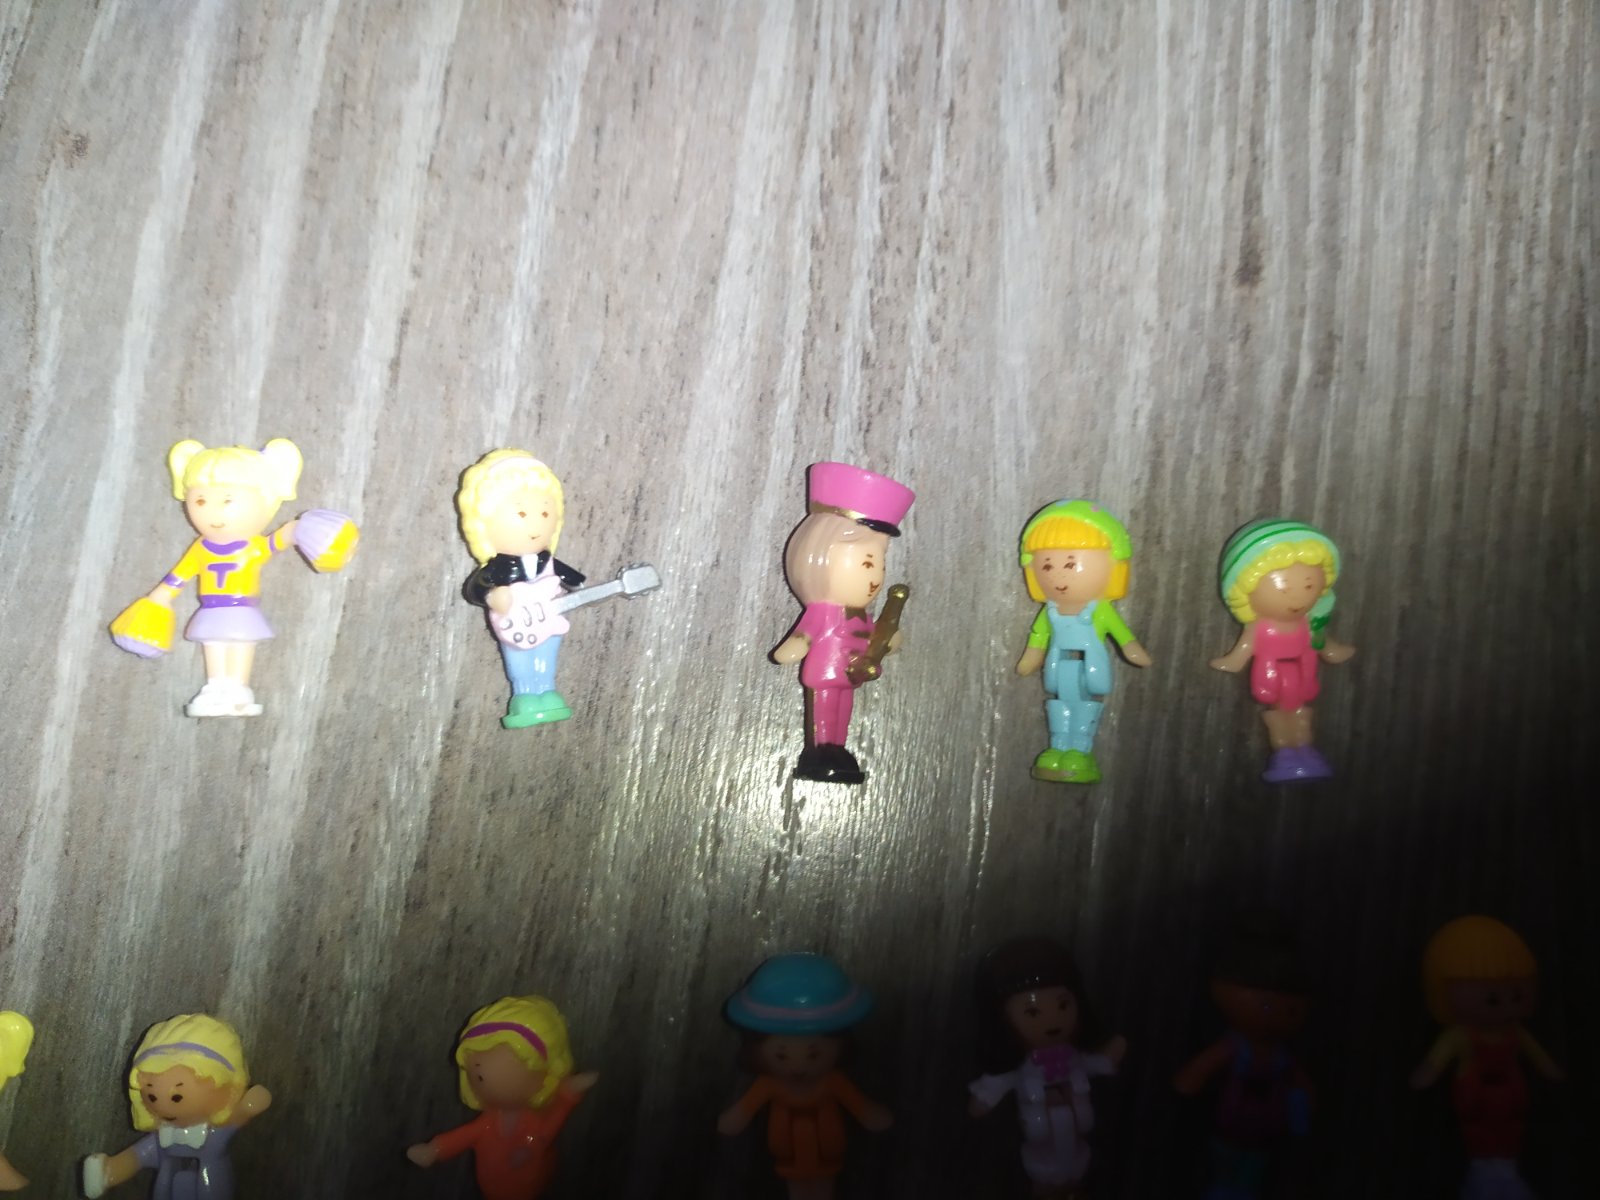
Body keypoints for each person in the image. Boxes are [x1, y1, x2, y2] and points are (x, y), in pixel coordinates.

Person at [969, 938, 1125, 1198]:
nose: (1053, 1021)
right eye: (1033, 1012)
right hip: (1040, 1155)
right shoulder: (1019, 1071)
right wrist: (985, 1096)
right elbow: (985, 1099)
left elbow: (1097, 1062)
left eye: (1063, 1005)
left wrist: (1109, 1057)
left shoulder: (1075, 1060)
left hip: (1078, 1152)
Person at [1015, 500, 1152, 784]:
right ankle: (1058, 747)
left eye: (1070, 563)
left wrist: (1132, 649)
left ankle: (1081, 750)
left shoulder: (1100, 611)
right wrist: (1031, 657)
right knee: (1059, 704)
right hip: (1057, 663)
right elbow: (1039, 636)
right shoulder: (1050, 611)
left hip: (1092, 665)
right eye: (1047, 565)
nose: (1059, 576)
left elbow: (1121, 634)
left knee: (1085, 702)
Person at [408, 995, 597, 1200]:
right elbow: (461, 1137)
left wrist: (568, 1093)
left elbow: (550, 1127)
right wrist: (434, 1150)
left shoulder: (533, 1124)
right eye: (477, 1074)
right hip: (491, 1189)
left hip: (529, 1187)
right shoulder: (487, 1125)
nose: (487, 1080)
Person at [1209, 518, 1354, 782]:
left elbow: (1321, 641)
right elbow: (1244, 649)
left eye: (1309, 586)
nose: (1298, 598)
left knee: (1301, 713)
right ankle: (1284, 753)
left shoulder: (1308, 623)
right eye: (1284, 588)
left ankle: (1306, 749)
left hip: (1304, 672)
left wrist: (1332, 650)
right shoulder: (1260, 628)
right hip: (1270, 675)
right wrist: (1232, 661)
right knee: (1278, 715)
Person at [83, 1014, 271, 1200]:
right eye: (152, 1097)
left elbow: (238, 1118)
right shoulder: (162, 1139)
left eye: (176, 1097)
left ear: (227, 1088)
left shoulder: (215, 1134)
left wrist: (248, 1107)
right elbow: (139, 1156)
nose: (164, 1107)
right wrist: (110, 1170)